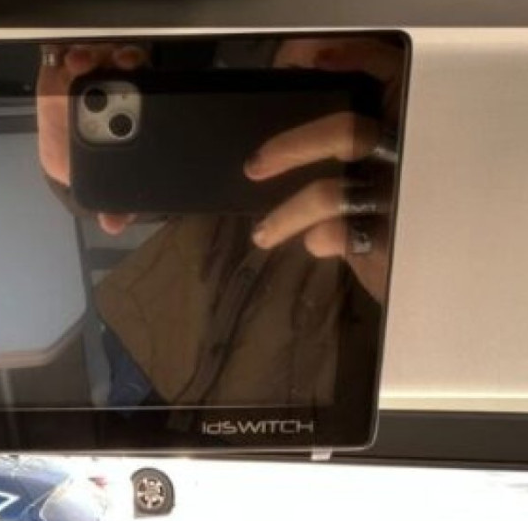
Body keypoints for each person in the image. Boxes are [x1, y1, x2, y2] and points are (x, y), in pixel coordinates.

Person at [35, 36, 405, 411]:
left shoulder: (405, 93)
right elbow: (181, 190)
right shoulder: (215, 43)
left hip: (257, 391)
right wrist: (85, 174)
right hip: (155, 342)